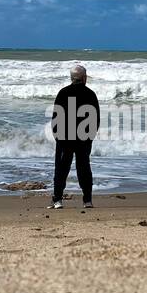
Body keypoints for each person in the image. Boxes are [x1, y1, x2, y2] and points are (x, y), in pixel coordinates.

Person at [51, 62, 100, 209]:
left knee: (61, 168)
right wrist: (90, 136)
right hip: (83, 137)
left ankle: (58, 200)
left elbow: (56, 117)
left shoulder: (63, 92)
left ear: (71, 78)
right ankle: (87, 200)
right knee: (84, 168)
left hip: (64, 137)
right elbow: (95, 119)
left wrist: (58, 137)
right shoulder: (90, 94)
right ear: (84, 78)